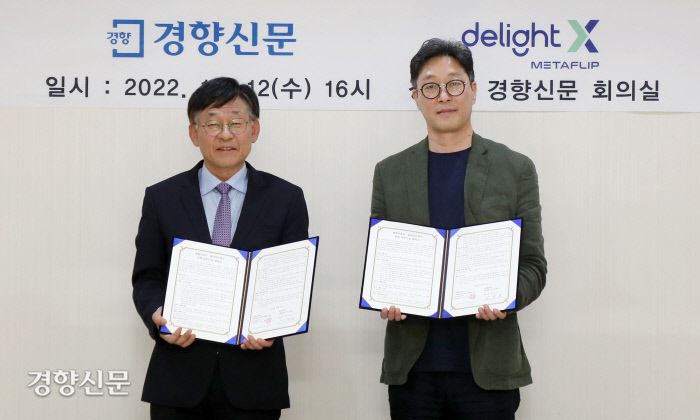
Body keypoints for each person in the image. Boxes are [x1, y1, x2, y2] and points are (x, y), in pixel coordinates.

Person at [371, 39, 547, 419]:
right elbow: (383, 265)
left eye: (454, 83)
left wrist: (506, 297)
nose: (443, 96)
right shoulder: (390, 173)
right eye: (430, 86)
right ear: (416, 97)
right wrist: (385, 294)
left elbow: (534, 266)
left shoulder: (514, 168)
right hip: (413, 372)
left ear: (473, 89)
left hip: (488, 372)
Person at [132, 77, 309, 420]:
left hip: (254, 380)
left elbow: (291, 283)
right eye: (212, 124)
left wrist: (273, 327)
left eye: (236, 123)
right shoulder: (162, 197)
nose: (225, 134)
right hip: (178, 377)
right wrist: (157, 315)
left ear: (254, 129)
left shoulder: (286, 198)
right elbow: (147, 277)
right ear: (194, 133)